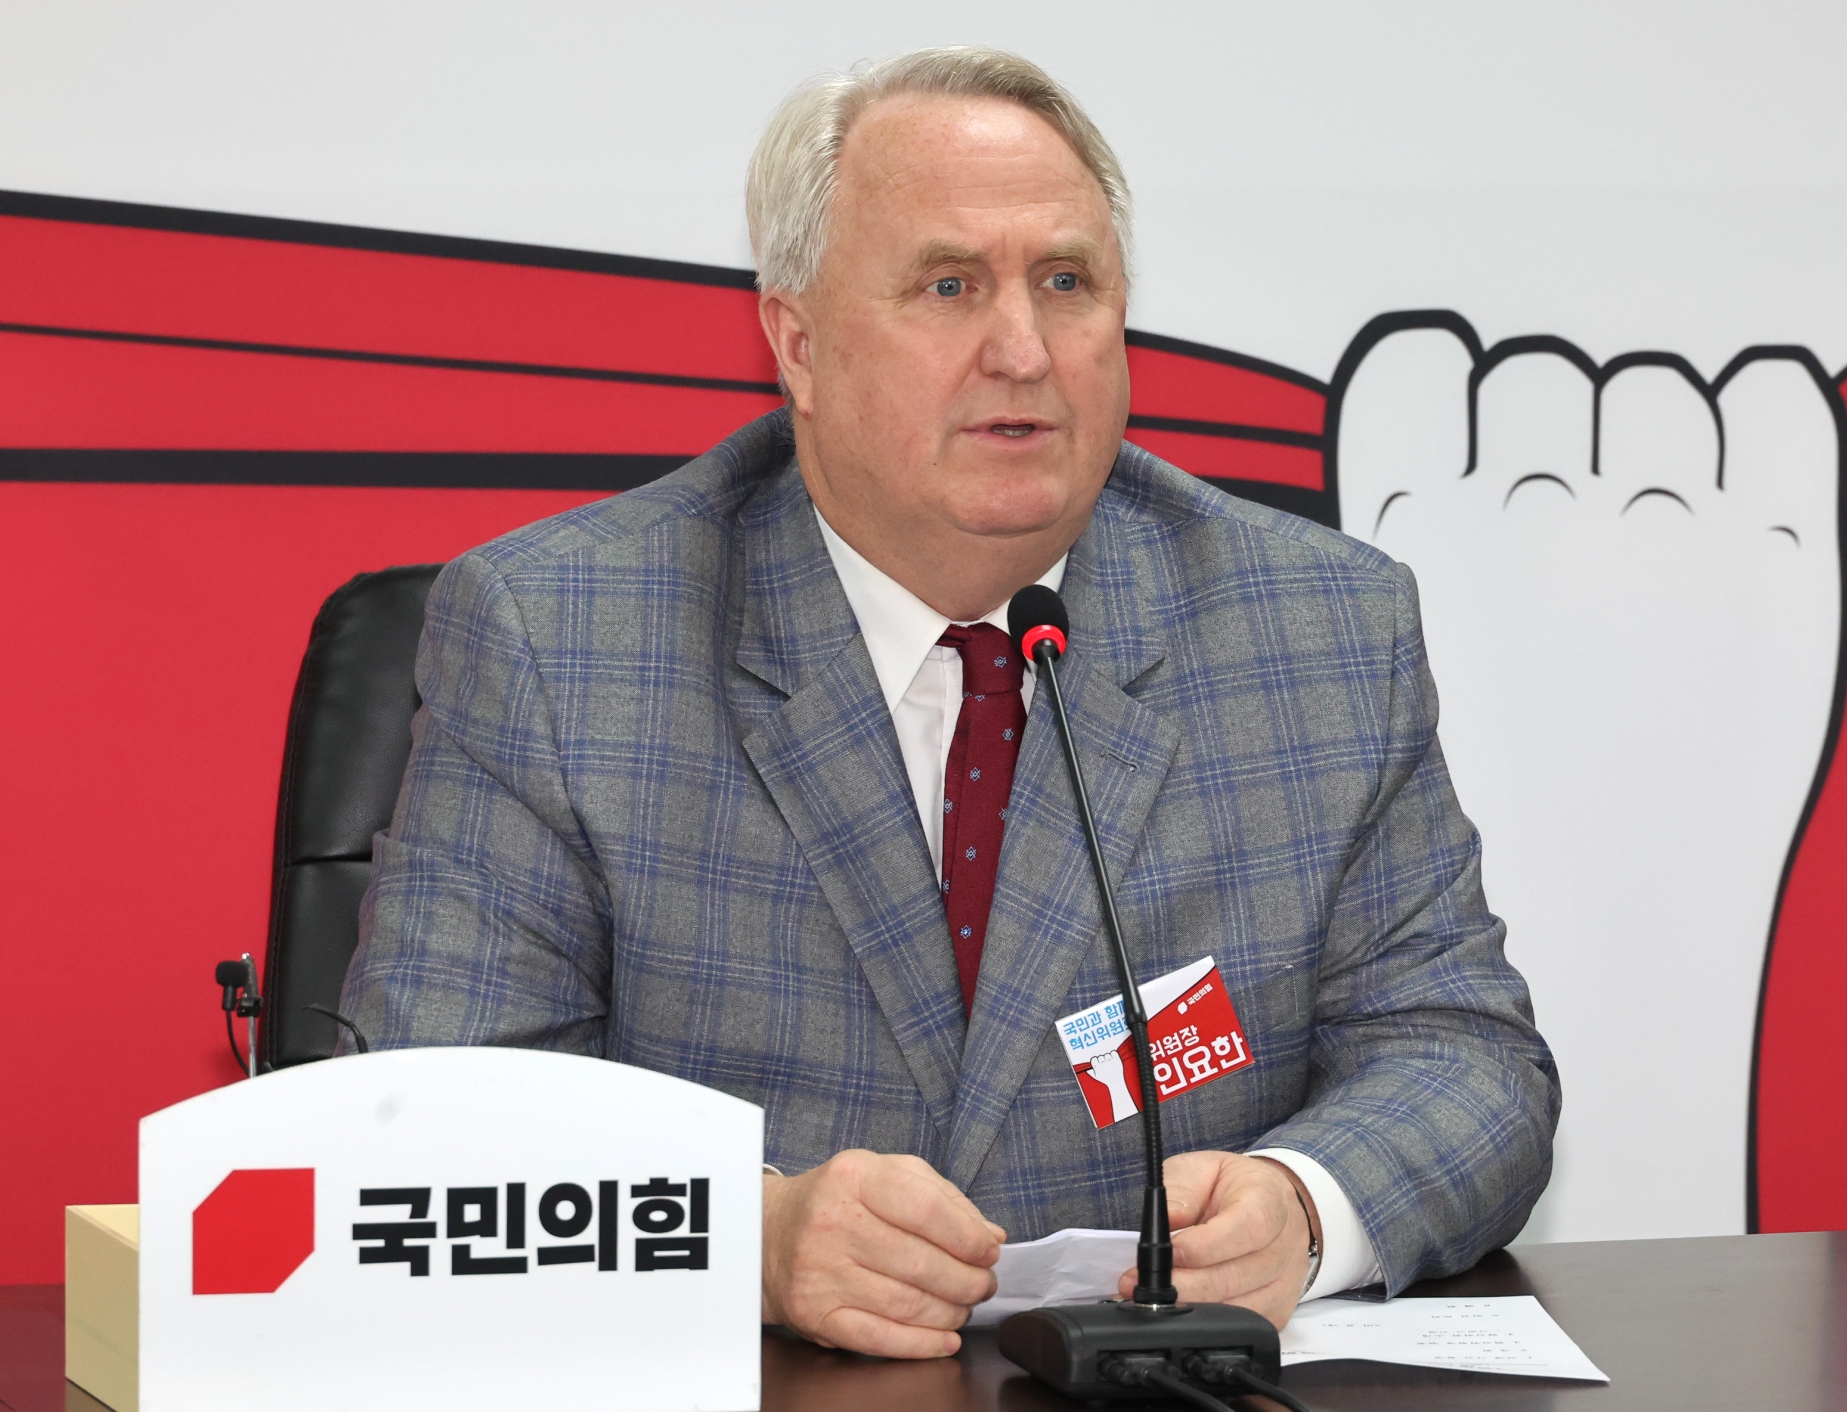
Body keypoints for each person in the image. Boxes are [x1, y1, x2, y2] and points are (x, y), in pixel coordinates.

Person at [337, 46, 1558, 1360]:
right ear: (800, 346)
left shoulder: (1317, 629)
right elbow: (427, 1118)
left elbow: (1466, 1060)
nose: (1023, 352)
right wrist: (746, 1236)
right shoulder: (562, 635)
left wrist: (1304, 1208)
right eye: (949, 286)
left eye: (1067, 284)